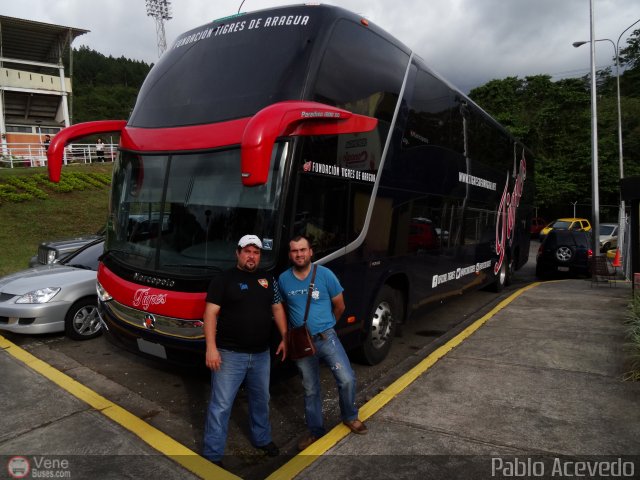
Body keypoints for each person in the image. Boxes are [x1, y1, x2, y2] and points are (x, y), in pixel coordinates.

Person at [202, 234, 287, 465]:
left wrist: (285, 336)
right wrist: (211, 348)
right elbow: (210, 314)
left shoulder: (268, 280)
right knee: (221, 406)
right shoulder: (223, 280)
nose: (252, 256)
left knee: (261, 400)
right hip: (229, 355)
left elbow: (277, 309)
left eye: (256, 252)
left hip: (261, 355)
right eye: (247, 251)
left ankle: (262, 439)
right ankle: (213, 453)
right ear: (238, 253)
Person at [278, 235, 367, 451]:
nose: (299, 254)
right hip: (301, 344)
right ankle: (315, 431)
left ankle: (349, 416)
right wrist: (285, 337)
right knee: (310, 389)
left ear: (310, 252)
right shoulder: (283, 279)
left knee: (346, 379)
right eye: (294, 251)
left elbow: (340, 306)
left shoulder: (325, 275)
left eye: (302, 250)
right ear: (290, 255)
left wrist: (328, 327)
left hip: (327, 338)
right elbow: (280, 308)